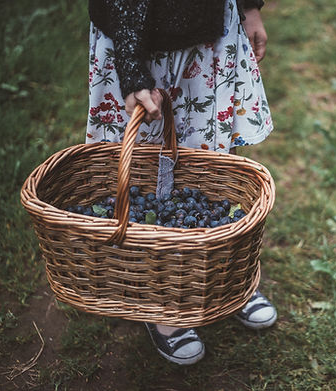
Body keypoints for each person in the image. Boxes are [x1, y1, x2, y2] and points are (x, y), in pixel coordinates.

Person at [86, 0, 276, 365]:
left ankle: (227, 276)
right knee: (146, 168)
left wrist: (249, 7)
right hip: (139, 35)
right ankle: (162, 298)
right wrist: (131, 68)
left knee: (213, 158)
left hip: (210, 25)